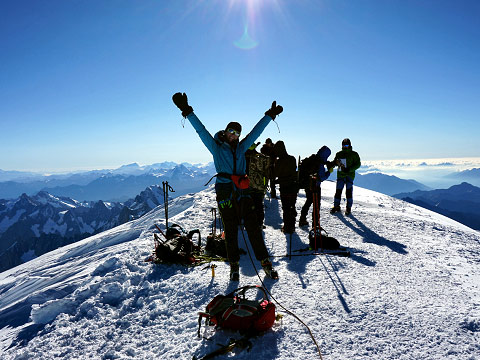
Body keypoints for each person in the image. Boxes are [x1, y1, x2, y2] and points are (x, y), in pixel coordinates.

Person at [172, 92, 282, 281]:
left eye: (237, 133)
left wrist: (269, 116)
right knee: (230, 229)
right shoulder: (216, 147)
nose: (234, 135)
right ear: (225, 132)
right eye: (231, 131)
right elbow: (201, 131)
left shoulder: (242, 147)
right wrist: (187, 111)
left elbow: (256, 132)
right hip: (224, 190)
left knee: (253, 226)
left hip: (242, 190)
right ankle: (234, 266)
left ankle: (265, 263)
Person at [299, 146, 334, 227]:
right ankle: (315, 225)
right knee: (316, 206)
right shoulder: (320, 164)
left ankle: (302, 219)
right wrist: (329, 171)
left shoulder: (313, 159)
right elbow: (322, 178)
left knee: (308, 201)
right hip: (315, 187)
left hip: (307, 185)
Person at [272, 141, 298, 234]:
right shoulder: (292, 158)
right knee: (292, 206)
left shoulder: (279, 161)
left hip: (284, 188)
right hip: (293, 187)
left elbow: (275, 174)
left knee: (286, 208)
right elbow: (294, 169)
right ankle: (292, 226)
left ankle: (287, 227)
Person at [330, 138, 361, 215]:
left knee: (348, 192)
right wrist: (334, 163)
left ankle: (348, 208)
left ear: (350, 145)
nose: (345, 146)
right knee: (338, 191)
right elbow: (335, 162)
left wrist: (349, 169)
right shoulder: (339, 154)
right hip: (341, 175)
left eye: (346, 145)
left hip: (349, 175)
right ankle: (336, 206)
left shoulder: (354, 154)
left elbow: (358, 164)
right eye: (344, 145)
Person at [245, 142, 270, 229]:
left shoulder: (245, 157)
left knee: (249, 204)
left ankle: (249, 223)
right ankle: (259, 223)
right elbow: (266, 172)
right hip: (260, 185)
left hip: (247, 185)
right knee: (259, 204)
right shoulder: (263, 158)